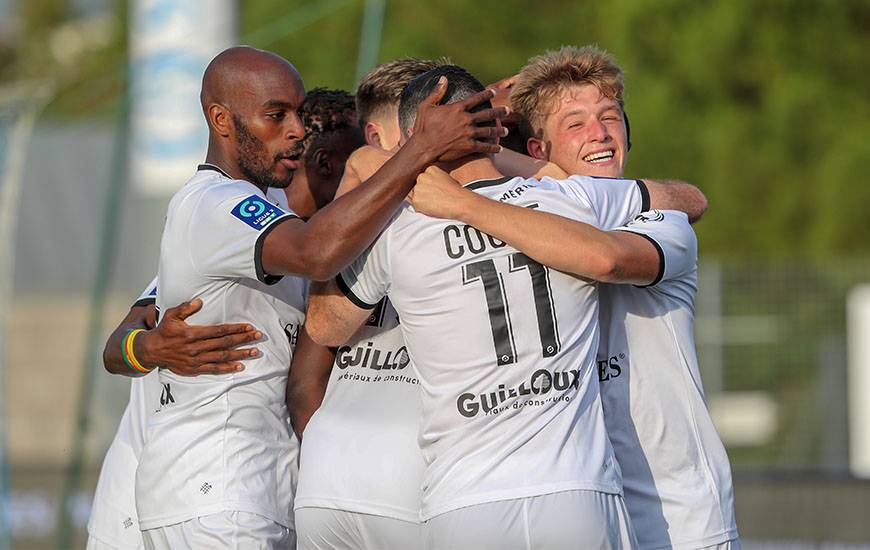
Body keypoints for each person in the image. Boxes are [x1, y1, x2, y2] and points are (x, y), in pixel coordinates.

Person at [303, 64, 704, 549]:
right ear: (495, 130)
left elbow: (325, 327)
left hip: (464, 498)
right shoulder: (572, 197)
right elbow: (686, 199)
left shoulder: (396, 231)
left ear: (409, 138)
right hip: (575, 490)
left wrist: (385, 173)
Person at [416, 45, 739, 549]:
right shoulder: (535, 213)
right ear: (539, 151)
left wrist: (461, 197)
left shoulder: (664, 224)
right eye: (575, 124)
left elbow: (606, 256)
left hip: (678, 518)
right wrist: (479, 126)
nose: (600, 133)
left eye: (610, 118)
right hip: (587, 507)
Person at [86, 87, 365, 550]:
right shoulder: (236, 219)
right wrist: (149, 347)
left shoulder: (267, 229)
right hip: (183, 496)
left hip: (202, 494)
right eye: (363, 167)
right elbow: (117, 346)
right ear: (328, 166)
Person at [289, 59, 449, 550]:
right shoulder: (463, 208)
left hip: (324, 487)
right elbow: (310, 368)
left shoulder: (345, 221)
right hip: (415, 490)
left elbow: (303, 382)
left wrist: (330, 461)